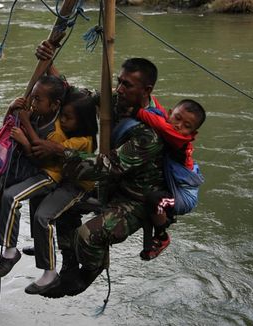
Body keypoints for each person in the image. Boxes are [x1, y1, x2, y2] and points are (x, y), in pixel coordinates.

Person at [35, 42, 169, 297]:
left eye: (127, 85)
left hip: (135, 198)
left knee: (88, 235)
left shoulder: (150, 133)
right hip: (109, 184)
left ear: (147, 89)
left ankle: (89, 270)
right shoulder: (116, 99)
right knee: (61, 203)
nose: (119, 88)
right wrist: (48, 62)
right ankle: (69, 264)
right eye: (119, 81)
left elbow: (107, 167)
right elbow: (75, 95)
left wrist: (60, 152)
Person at [0, 74, 68, 278]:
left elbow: (43, 160)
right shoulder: (36, 115)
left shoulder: (56, 130)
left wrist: (25, 140)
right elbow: (7, 127)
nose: (33, 103)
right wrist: (11, 108)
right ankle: (2, 230)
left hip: (48, 174)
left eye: (38, 100)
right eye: (32, 98)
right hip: (31, 168)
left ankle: (9, 252)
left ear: (54, 105)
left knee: (12, 196)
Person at [24, 89, 98, 295]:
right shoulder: (71, 131)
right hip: (63, 179)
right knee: (35, 198)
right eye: (61, 116)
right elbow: (59, 88)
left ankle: (50, 273)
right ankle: (42, 247)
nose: (62, 121)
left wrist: (26, 125)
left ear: (82, 120)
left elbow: (48, 147)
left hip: (76, 186)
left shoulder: (82, 141)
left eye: (67, 117)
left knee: (43, 216)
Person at [131, 99, 206, 260]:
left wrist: (137, 112)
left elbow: (162, 126)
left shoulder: (180, 140)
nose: (179, 126)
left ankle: (162, 236)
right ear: (170, 113)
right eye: (177, 119)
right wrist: (145, 95)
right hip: (177, 186)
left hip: (184, 196)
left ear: (193, 134)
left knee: (155, 200)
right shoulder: (167, 119)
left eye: (187, 126)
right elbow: (156, 108)